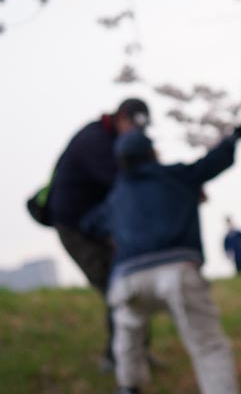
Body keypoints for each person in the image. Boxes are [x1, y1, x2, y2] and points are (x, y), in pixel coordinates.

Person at [82, 124, 241, 394]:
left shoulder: (117, 196)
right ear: (152, 153)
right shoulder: (175, 176)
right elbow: (213, 162)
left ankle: (128, 386)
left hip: (129, 276)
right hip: (177, 269)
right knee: (208, 345)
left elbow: (90, 224)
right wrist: (232, 138)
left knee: (128, 339)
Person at [46, 97, 150, 369]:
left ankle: (134, 352)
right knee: (117, 288)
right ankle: (118, 357)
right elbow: (124, 181)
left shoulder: (113, 140)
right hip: (75, 228)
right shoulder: (95, 142)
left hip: (99, 224)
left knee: (131, 282)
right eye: (134, 127)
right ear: (121, 118)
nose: (137, 134)